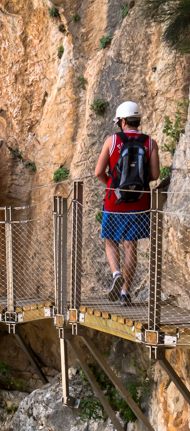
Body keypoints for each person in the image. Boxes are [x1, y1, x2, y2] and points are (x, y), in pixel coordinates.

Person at [94, 101, 160, 307]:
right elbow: (156, 175)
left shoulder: (111, 141)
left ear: (122, 121)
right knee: (131, 246)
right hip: (140, 203)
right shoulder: (150, 143)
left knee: (110, 240)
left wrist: (113, 187)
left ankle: (116, 274)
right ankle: (125, 293)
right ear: (137, 120)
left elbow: (98, 172)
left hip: (115, 202)